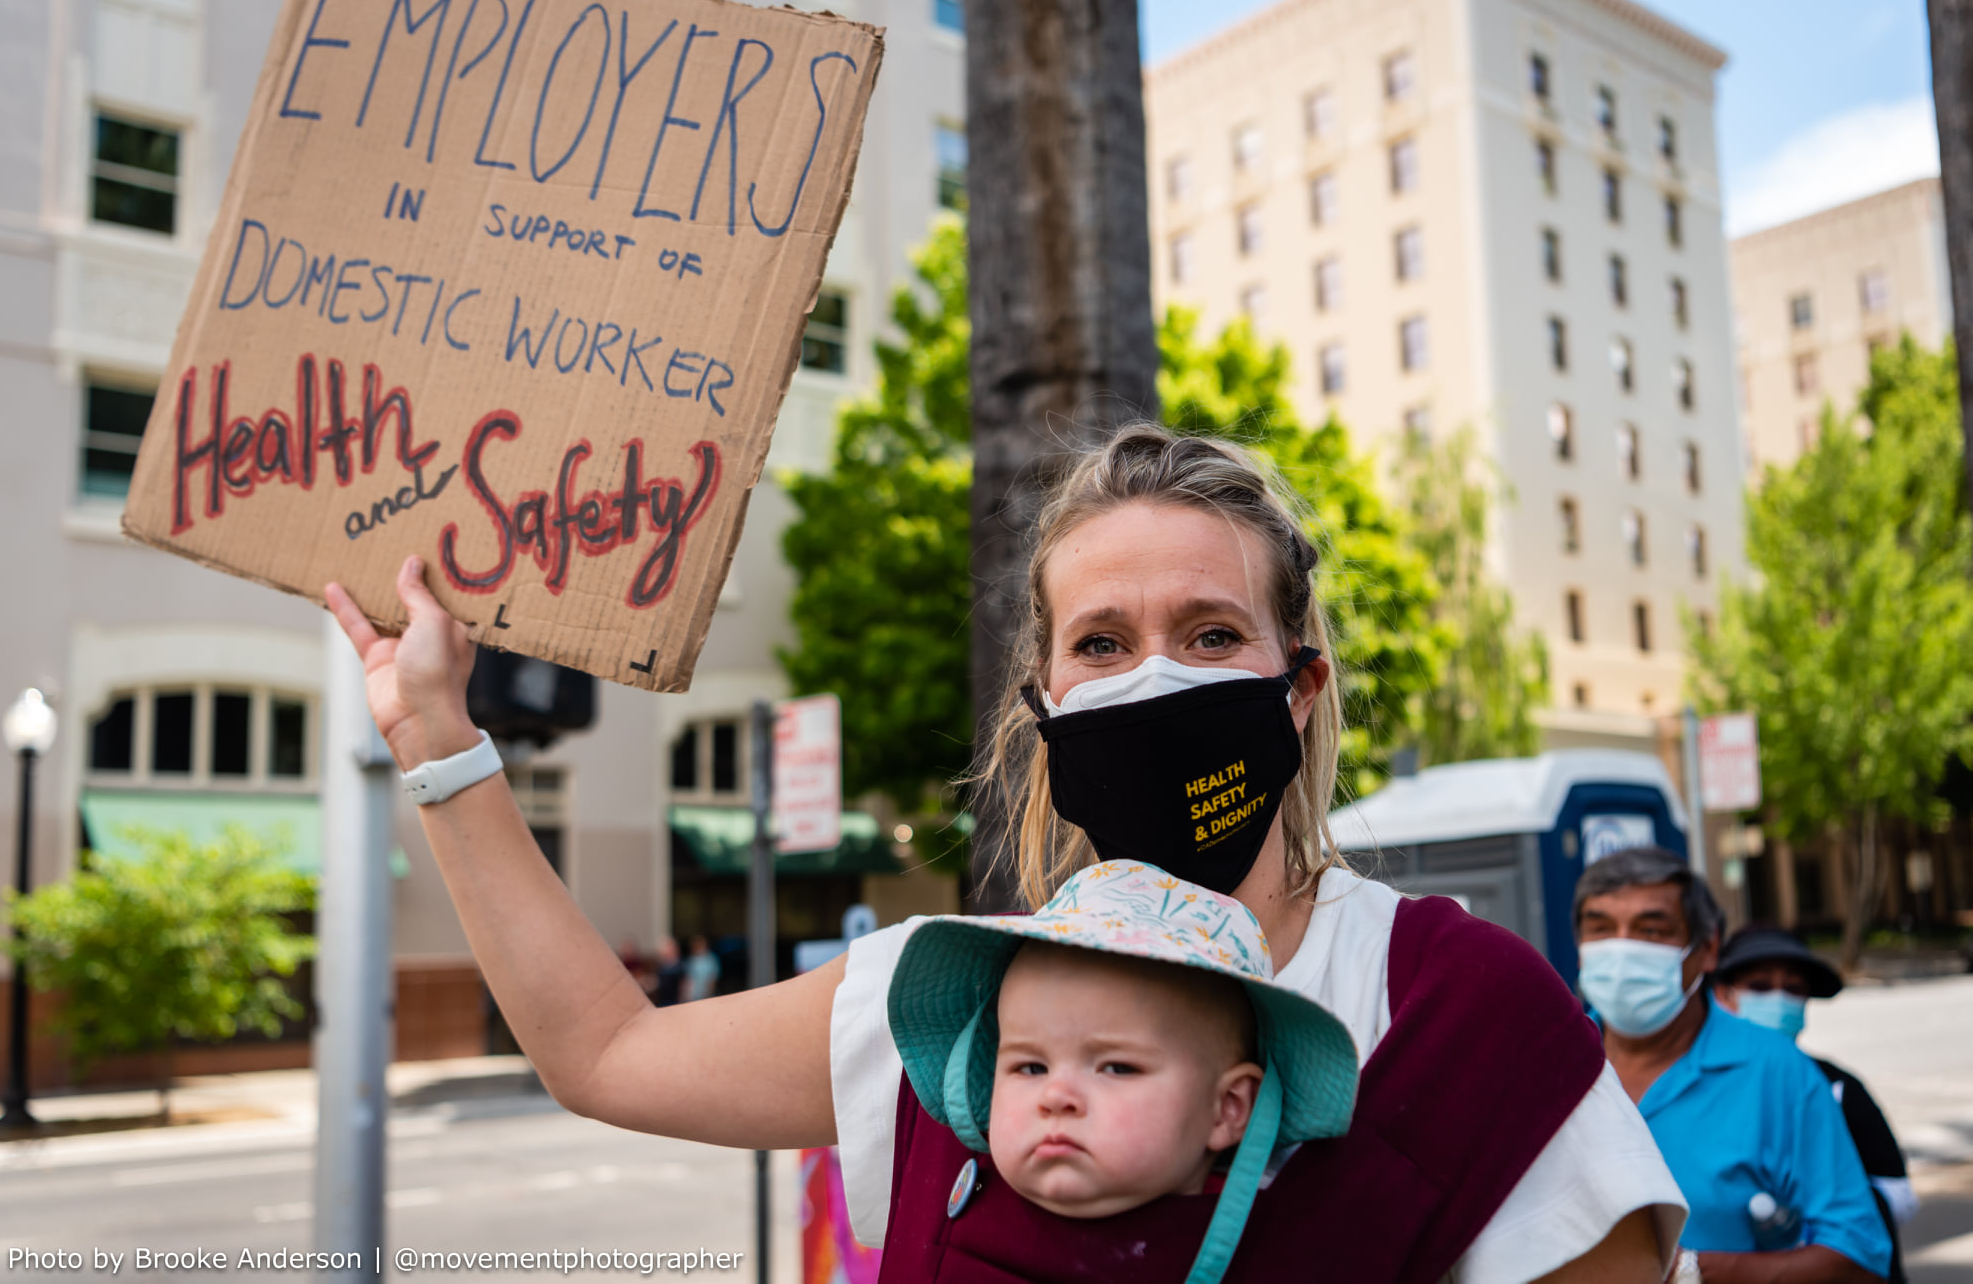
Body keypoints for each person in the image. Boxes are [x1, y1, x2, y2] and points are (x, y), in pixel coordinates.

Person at [325, 424, 1681, 1282]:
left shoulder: (1457, 1004)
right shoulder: (940, 994)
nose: (1154, 679)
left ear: (1300, 685)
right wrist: (441, 736)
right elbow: (605, 1053)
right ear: (1042, 701)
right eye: (1102, 644)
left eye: (1212, 635)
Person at [881, 859, 1359, 1284]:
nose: (1057, 1096)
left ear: (1227, 1109)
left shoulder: (1280, 1254)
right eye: (1030, 1066)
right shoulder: (950, 1205)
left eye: (1116, 1067)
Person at [1573, 847, 1891, 1283]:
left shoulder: (1778, 1072)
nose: (1624, 950)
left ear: (1707, 950)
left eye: (1650, 930)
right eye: (1602, 929)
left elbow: (1860, 1256)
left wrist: (1696, 1272)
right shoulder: (1551, 1068)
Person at [1714, 927, 1917, 1283]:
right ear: (1723, 994)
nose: (1778, 999)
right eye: (1760, 987)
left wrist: (1822, 1212)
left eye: (1792, 989)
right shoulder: (1694, 1085)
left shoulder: (1837, 1088)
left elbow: (1898, 1194)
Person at [680, 934, 719, 1002]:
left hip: (705, 996)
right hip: (692, 997)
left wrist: (708, 995)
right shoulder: (690, 959)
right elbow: (686, 979)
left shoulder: (710, 959)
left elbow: (713, 978)